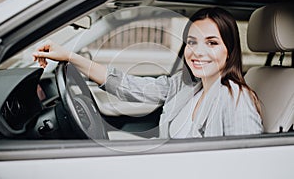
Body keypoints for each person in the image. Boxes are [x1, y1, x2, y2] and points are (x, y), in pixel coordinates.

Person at [33, 7, 263, 139]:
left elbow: (246, 162)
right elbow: (129, 87)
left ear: (230, 49)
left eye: (212, 43)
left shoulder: (235, 97)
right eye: (192, 42)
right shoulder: (187, 85)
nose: (198, 52)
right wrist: (70, 57)